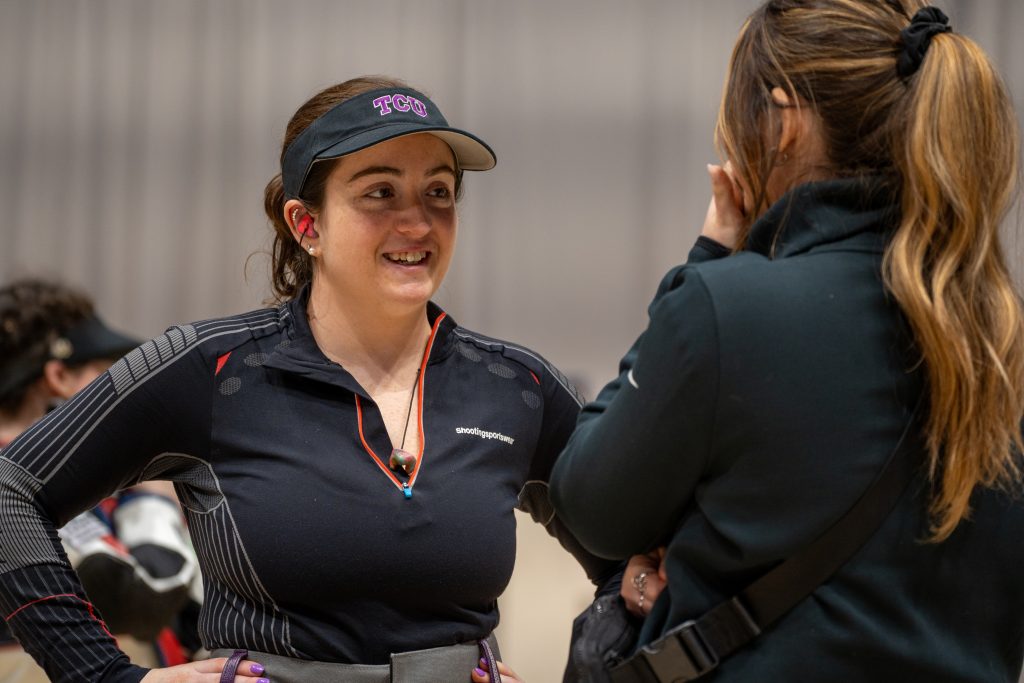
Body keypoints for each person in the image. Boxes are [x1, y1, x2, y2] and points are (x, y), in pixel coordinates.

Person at [0, 76, 617, 683]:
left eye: (439, 191)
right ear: (307, 225)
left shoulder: (517, 385)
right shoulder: (210, 368)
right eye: (380, 192)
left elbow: (633, 557)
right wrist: (104, 676)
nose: (419, 223)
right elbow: (10, 490)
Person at [551, 1, 1024, 681]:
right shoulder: (1000, 334)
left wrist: (707, 259)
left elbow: (590, 503)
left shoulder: (728, 309)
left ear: (785, 121)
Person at [0, 278, 202, 681]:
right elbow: (139, 597)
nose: (118, 390)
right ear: (58, 377)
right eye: (105, 372)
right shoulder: (23, 483)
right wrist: (153, 500)